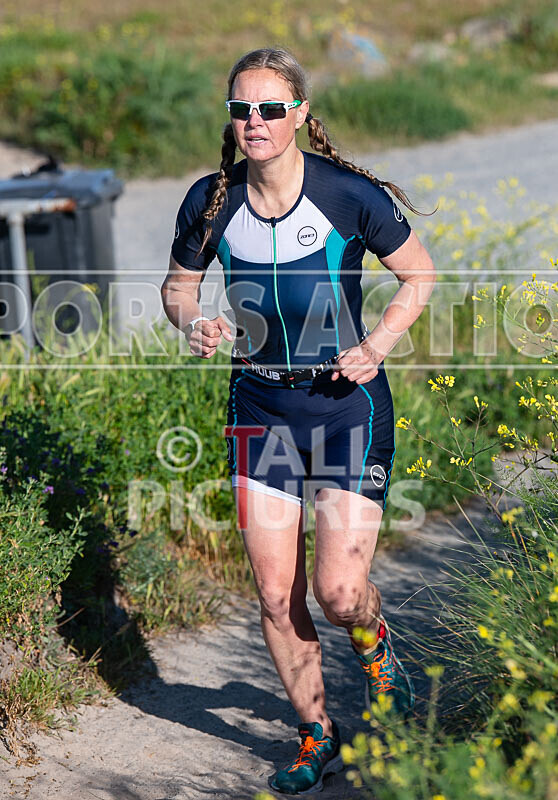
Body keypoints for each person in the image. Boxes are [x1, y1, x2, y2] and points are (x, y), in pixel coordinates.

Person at [161, 47, 436, 796]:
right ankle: (319, 733)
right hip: (260, 408)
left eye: (270, 109)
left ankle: (375, 646)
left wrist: (376, 346)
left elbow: (420, 274)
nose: (254, 122)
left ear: (300, 116)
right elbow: (177, 288)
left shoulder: (347, 196)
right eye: (241, 109)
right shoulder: (210, 201)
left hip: (346, 408)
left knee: (340, 593)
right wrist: (193, 320)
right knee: (277, 594)